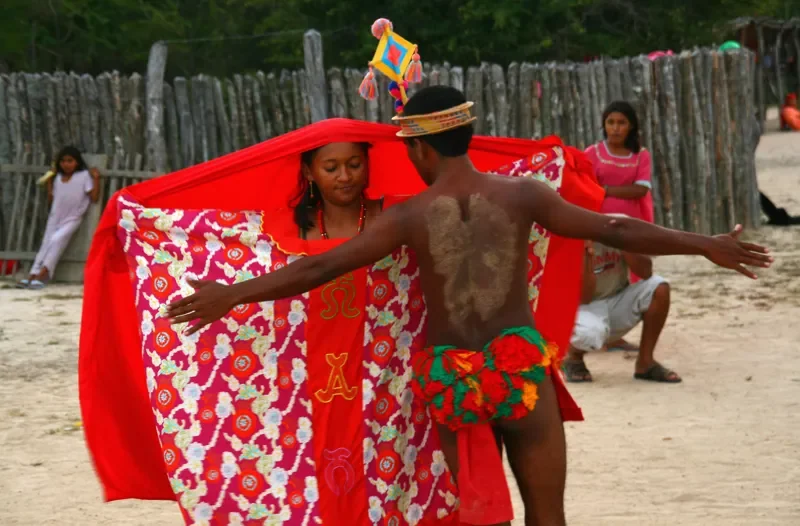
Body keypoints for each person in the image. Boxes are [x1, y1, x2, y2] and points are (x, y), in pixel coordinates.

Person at [167, 86, 771, 526]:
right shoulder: (524, 195)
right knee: (546, 511)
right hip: (521, 369)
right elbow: (615, 226)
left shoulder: (409, 216)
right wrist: (705, 244)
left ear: (421, 150)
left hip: (451, 374)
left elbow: (320, 265)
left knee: (479, 512)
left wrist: (232, 294)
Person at [563, 233, 678, 383]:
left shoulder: (615, 226)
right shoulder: (567, 236)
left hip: (617, 298)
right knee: (589, 334)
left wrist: (622, 242)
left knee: (659, 287)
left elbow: (646, 272)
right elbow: (584, 297)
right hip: (583, 307)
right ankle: (573, 357)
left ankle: (646, 362)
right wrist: (587, 254)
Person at [17, 146, 100, 289]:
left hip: (73, 218)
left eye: (70, 161)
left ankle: (43, 275)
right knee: (45, 244)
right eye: (63, 161)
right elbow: (52, 199)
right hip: (55, 217)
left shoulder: (84, 176)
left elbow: (94, 197)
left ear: (77, 162)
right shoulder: (57, 178)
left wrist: (96, 179)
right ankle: (32, 275)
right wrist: (49, 181)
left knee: (56, 241)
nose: (66, 164)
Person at [585, 101, 653, 224]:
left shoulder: (641, 155)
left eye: (621, 123)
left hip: (633, 226)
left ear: (631, 126)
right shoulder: (592, 153)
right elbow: (585, 189)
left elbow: (641, 190)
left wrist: (604, 190)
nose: (615, 128)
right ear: (604, 125)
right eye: (610, 122)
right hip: (598, 226)